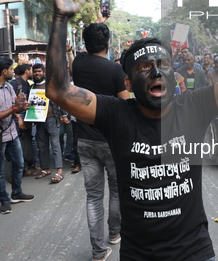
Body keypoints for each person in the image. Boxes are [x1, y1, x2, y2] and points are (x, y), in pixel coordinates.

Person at [45, 0, 218, 261]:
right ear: (129, 83)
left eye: (164, 65)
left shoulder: (194, 106)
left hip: (195, 252)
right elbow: (59, 91)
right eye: (145, 67)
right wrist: (59, 19)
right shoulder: (116, 114)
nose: (157, 72)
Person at [72, 21, 128, 261]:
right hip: (110, 141)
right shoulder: (115, 71)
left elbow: (87, 49)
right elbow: (125, 104)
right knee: (116, 190)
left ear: (84, 44)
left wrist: (98, 25)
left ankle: (97, 250)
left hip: (84, 139)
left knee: (93, 196)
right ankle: (115, 233)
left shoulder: (78, 64)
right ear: (108, 44)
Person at [0, 57, 34, 214]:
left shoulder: (9, 87)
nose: (13, 71)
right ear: (4, 71)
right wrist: (14, 109)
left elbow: (14, 108)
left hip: (12, 133)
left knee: (19, 163)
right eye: (11, 69)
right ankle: (4, 200)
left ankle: (16, 193)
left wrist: (20, 107)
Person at [31, 64, 65, 183]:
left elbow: (59, 99)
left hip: (51, 118)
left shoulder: (50, 85)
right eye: (35, 72)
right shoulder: (32, 87)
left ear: (44, 72)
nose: (37, 74)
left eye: (39, 71)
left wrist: (63, 115)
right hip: (39, 120)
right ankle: (46, 169)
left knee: (55, 145)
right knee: (42, 146)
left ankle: (59, 170)